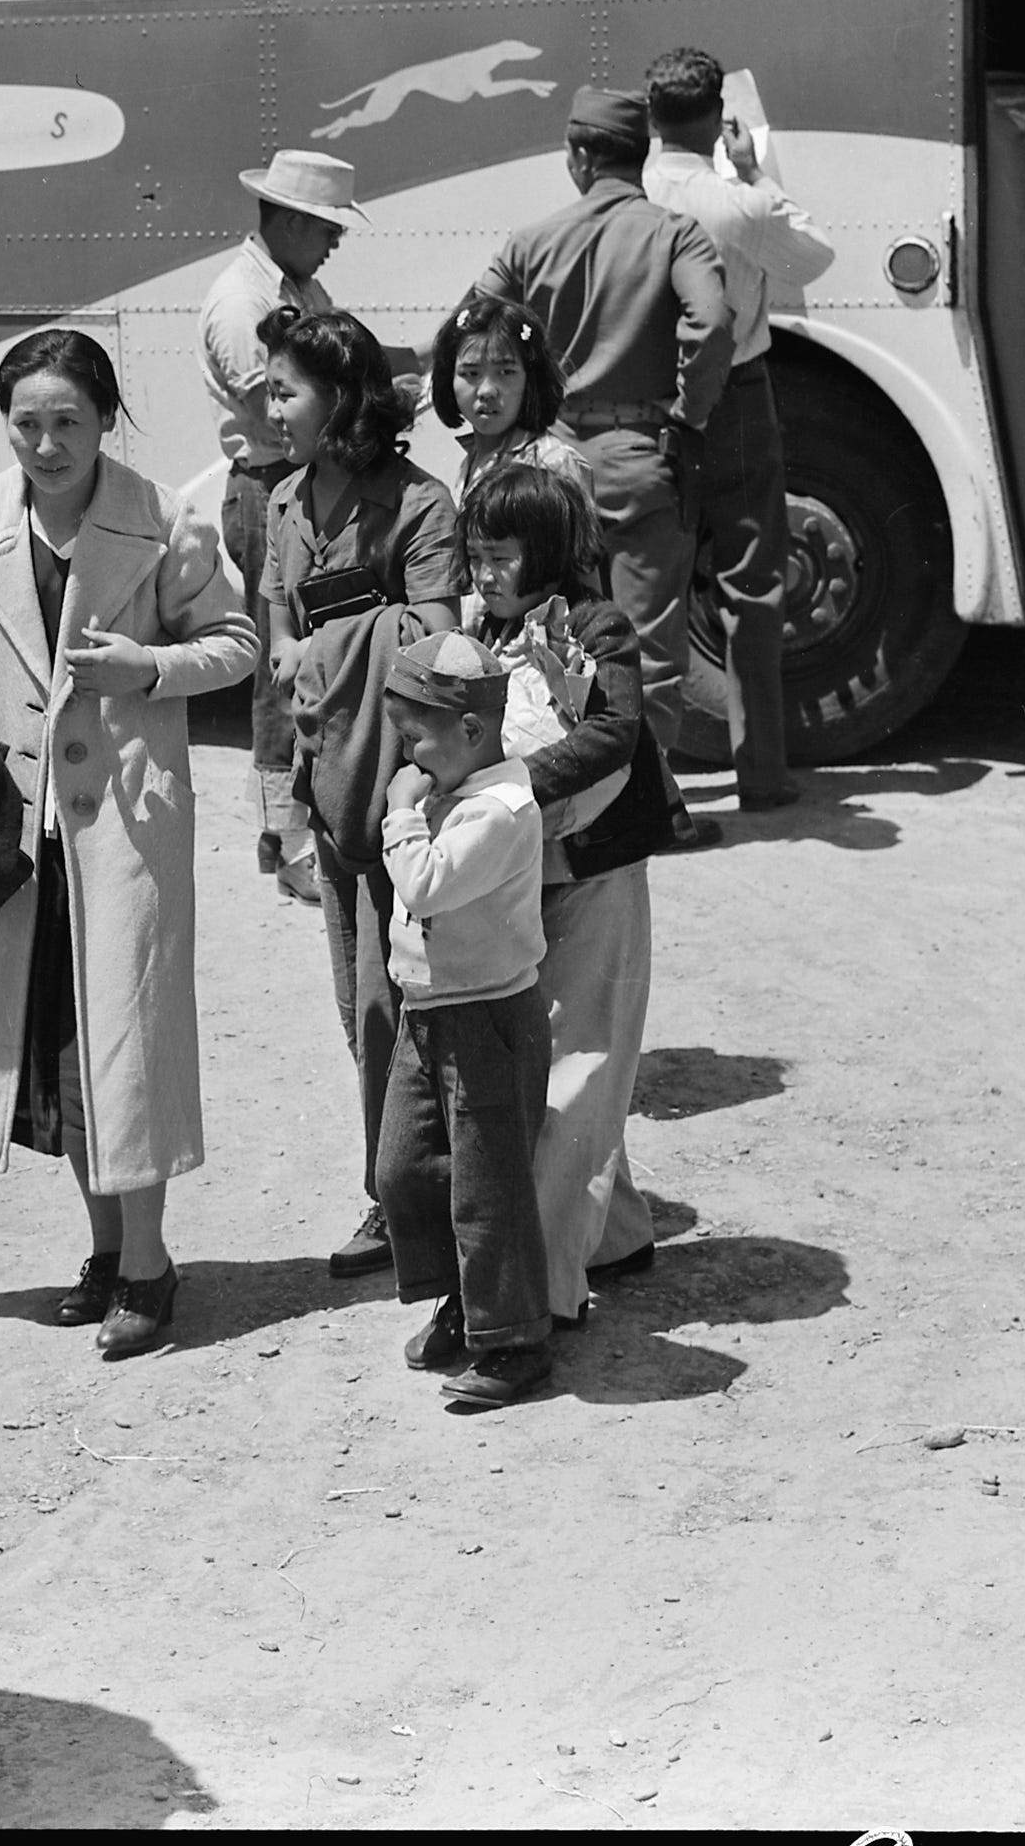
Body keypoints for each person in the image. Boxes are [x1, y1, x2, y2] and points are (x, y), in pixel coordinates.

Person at [0, 331, 258, 1359]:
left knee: (125, 1048)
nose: (47, 444)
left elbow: (235, 643)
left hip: (124, 823)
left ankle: (149, 1265)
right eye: (27, 422)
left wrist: (144, 666)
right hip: (12, 825)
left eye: (68, 421)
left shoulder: (161, 516)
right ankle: (103, 1252)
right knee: (53, 1052)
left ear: (107, 419)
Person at [254, 304, 464, 1281]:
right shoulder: (285, 500)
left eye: (285, 384)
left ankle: (413, 1197)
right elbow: (272, 648)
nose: (268, 398)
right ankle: (400, 1187)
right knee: (357, 1005)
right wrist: (280, 808)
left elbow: (432, 631)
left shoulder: (421, 504)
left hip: (406, 797)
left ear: (340, 399)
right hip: (328, 789)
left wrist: (323, 644)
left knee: (402, 1000)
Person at [466, 88, 730, 848]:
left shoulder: (530, 240)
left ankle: (544, 803)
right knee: (645, 646)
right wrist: (690, 412)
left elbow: (467, 329)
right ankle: (655, 807)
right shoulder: (676, 234)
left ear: (579, 156)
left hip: (549, 469)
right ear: (640, 155)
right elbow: (710, 322)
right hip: (643, 460)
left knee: (546, 637)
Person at [459, 463, 685, 1323]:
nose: (483, 574)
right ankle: (618, 1233)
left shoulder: (596, 626)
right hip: (526, 876)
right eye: (475, 556)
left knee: (578, 1069)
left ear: (548, 552)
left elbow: (615, 733)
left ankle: (540, 1294)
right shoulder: (487, 625)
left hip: (596, 871)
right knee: (565, 1060)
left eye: (501, 556)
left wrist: (507, 784)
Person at [641, 47, 835, 813]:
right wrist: (752, 173)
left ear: (651, 118)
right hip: (739, 397)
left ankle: (648, 783)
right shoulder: (738, 203)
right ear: (721, 119)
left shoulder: (635, 197)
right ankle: (761, 773)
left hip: (651, 403)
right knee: (752, 583)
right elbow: (814, 255)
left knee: (650, 586)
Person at [371, 633, 556, 1412]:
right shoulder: (452, 789)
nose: (406, 760)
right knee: (404, 1169)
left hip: (486, 1018)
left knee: (489, 1187)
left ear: (473, 734)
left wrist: (400, 816)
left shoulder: (499, 809)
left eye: (415, 738)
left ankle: (515, 1341)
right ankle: (462, 1299)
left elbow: (427, 883)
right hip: (430, 1011)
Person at [198, 149, 369, 905]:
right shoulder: (242, 302)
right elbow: (276, 406)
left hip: (294, 480)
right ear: (293, 220)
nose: (336, 241)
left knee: (307, 650)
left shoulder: (294, 286)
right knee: (282, 661)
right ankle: (284, 839)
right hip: (270, 487)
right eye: (328, 225)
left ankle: (296, 827)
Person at [428, 289, 592, 506]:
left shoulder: (552, 464)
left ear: (531, 378)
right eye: (470, 373)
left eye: (506, 372)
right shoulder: (472, 461)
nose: (487, 391)